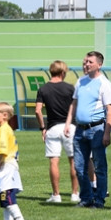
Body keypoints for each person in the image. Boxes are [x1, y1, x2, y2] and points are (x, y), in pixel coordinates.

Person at [64, 51, 111, 209]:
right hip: (80, 130)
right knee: (79, 167)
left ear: (99, 65)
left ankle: (99, 200)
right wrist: (68, 123)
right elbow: (74, 103)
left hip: (96, 129)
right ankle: (86, 198)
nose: (86, 64)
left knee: (99, 166)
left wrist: (107, 132)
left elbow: (110, 109)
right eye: (85, 61)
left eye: (90, 62)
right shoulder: (81, 81)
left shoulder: (104, 84)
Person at [34, 60, 80, 204]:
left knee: (54, 161)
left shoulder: (43, 89)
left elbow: (37, 110)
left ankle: (56, 195)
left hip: (53, 128)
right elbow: (76, 107)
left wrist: (42, 128)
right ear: (62, 73)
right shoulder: (70, 88)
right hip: (69, 127)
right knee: (73, 160)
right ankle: (74, 194)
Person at [0, 102, 31, 220]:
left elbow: (2, 152)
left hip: (6, 165)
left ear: (5, 115)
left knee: (8, 197)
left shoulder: (3, 130)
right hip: (9, 166)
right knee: (4, 197)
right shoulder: (6, 129)